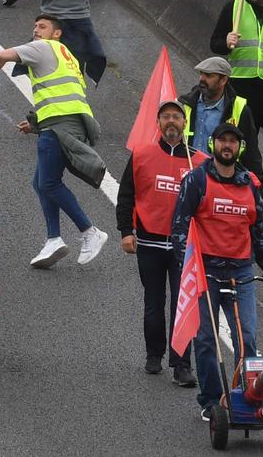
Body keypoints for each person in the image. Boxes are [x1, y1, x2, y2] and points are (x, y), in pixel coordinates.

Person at [0, 14, 111, 269]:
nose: (36, 30)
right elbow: (60, 95)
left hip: (59, 126)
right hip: (66, 122)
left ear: (56, 33)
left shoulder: (42, 47)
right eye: (34, 27)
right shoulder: (68, 57)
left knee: (49, 184)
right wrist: (36, 124)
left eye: (42, 27)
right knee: (41, 183)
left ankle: (89, 232)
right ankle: (53, 239)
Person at [173, 121, 263, 421]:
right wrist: (186, 266)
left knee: (248, 338)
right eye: (222, 141)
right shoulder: (197, 180)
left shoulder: (250, 184)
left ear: (239, 147)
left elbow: (260, 233)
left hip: (241, 271)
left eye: (232, 141)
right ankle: (210, 401)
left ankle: (247, 398)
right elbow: (180, 226)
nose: (227, 146)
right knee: (206, 338)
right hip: (206, 268)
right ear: (213, 145)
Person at [115, 99, 201, 386]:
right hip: (149, 244)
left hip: (183, 249)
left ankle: (181, 366)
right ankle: (154, 354)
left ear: (185, 124)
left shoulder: (199, 163)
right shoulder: (141, 154)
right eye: (166, 117)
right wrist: (126, 232)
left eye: (177, 117)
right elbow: (126, 195)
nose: (171, 122)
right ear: (158, 124)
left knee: (182, 305)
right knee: (153, 303)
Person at [211, 0, 263, 165]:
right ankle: (244, 192)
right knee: (241, 148)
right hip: (241, 92)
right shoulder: (235, 7)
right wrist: (227, 43)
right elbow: (215, 43)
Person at [181, 57, 263, 180]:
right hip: (186, 176)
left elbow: (251, 154)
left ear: (223, 80)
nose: (202, 79)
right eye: (201, 74)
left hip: (221, 180)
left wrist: (258, 189)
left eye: (208, 75)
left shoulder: (240, 109)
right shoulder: (184, 104)